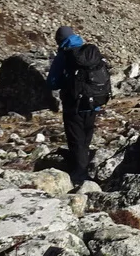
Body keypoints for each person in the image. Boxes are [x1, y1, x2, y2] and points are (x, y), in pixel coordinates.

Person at [46, 26, 110, 186]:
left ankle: (81, 175)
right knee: (86, 137)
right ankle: (84, 166)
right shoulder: (89, 52)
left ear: (59, 40)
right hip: (94, 102)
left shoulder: (64, 55)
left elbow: (52, 83)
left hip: (73, 104)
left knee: (76, 139)